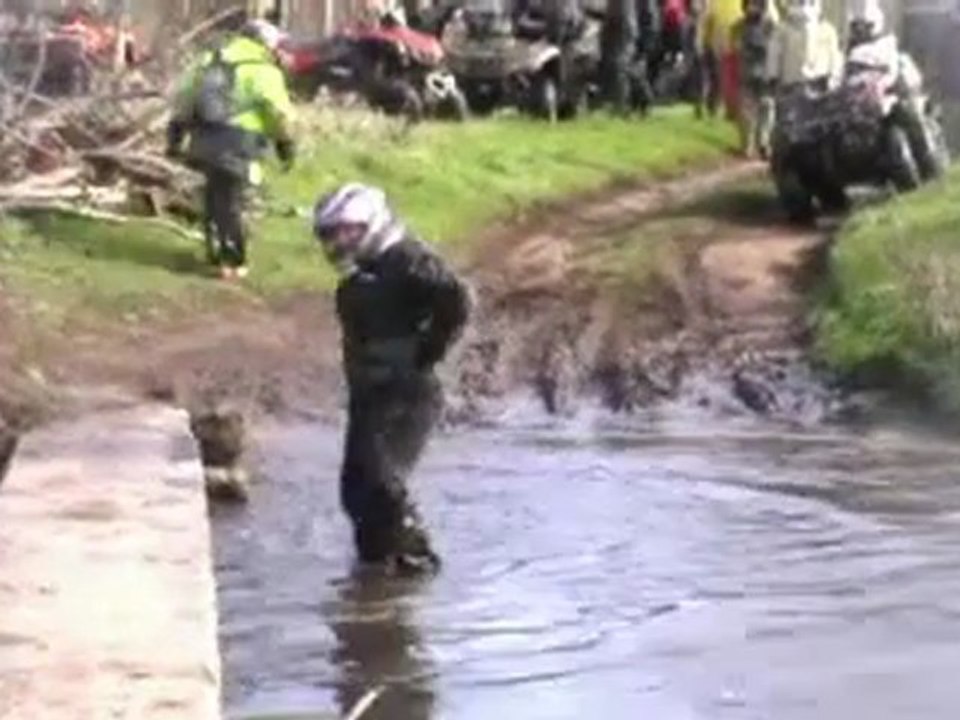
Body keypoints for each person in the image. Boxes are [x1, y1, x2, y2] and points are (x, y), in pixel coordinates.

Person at [313, 183, 471, 573]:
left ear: (371, 224)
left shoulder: (409, 260)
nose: (339, 242)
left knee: (382, 480)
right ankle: (374, 571)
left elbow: (457, 299)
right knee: (355, 490)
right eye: (331, 234)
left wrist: (429, 350)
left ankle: (415, 563)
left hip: (409, 392)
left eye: (347, 231)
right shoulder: (356, 280)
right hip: (369, 394)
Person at [165, 18, 296, 280]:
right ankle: (233, 261)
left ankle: (215, 255)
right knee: (233, 200)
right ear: (265, 42)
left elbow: (183, 98)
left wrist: (175, 137)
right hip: (240, 143)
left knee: (215, 196)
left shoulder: (208, 60)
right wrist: (285, 145)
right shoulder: (263, 69)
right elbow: (279, 115)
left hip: (203, 139)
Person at [844, 0, 941, 179]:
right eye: (857, 27)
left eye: (865, 26)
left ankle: (929, 161)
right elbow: (846, 77)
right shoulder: (851, 52)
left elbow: (896, 72)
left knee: (909, 113)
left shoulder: (887, 44)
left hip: (895, 97)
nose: (861, 30)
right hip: (867, 106)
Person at [730, 0, 778, 157]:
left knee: (765, 109)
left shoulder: (769, 26)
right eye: (751, 4)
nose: (753, 8)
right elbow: (734, 46)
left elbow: (775, 48)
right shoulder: (741, 26)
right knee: (750, 111)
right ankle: (750, 145)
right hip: (751, 72)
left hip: (762, 72)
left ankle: (761, 144)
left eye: (756, 4)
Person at [765, 0, 842, 95]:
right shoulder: (782, 30)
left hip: (818, 83)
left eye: (810, 2)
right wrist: (773, 77)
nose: (805, 6)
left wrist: (834, 76)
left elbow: (834, 55)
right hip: (791, 84)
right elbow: (773, 54)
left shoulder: (827, 30)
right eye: (801, 2)